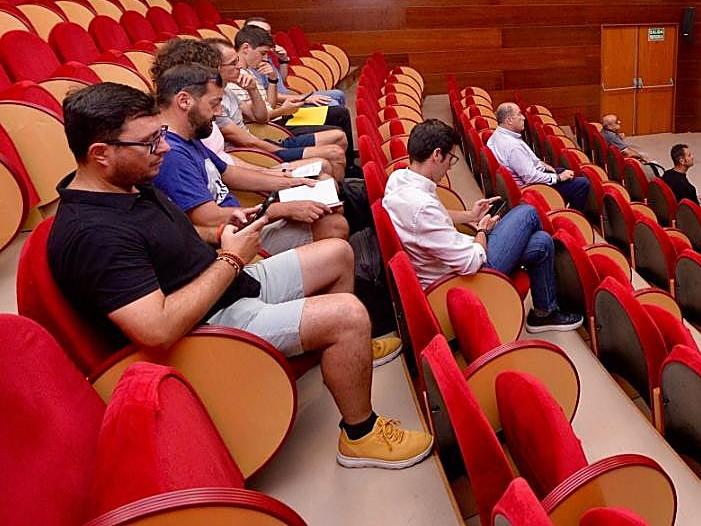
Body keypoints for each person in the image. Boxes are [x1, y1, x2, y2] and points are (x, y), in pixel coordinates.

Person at [47, 83, 430, 470]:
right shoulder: (93, 235)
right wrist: (231, 258)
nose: (164, 148)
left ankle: (340, 356)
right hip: (207, 327)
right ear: (100, 154)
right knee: (348, 314)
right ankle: (360, 434)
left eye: (159, 135)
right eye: (149, 142)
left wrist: (220, 233)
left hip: (225, 283)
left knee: (337, 252)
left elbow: (175, 235)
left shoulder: (127, 185)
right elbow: (157, 329)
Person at [385, 119, 584, 333]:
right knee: (528, 213)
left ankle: (544, 313)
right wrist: (482, 231)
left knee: (542, 242)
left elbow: (434, 218)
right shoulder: (423, 207)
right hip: (463, 278)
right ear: (436, 155)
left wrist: (470, 215)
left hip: (456, 257)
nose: (450, 168)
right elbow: (470, 262)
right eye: (450, 159)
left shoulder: (399, 178)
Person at [151, 62, 349, 255]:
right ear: (184, 101)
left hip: (242, 218)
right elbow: (208, 218)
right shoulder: (171, 154)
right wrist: (280, 210)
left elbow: (229, 172)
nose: (218, 112)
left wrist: (289, 182)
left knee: (325, 198)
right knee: (333, 224)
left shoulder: (188, 137)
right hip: (230, 239)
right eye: (214, 104)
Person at [149, 37, 333, 183]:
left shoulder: (203, 112)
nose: (217, 112)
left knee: (326, 165)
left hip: (249, 163)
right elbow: (224, 173)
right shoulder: (188, 128)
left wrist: (276, 175)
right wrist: (279, 170)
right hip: (251, 158)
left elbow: (225, 164)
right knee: (326, 167)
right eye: (232, 63)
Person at [202, 37, 346, 180]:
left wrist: (253, 90)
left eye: (237, 61)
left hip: (263, 142)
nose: (239, 66)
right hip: (253, 153)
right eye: (233, 63)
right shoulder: (213, 104)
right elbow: (248, 142)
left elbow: (260, 117)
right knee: (331, 156)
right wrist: (284, 151)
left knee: (338, 137)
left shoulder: (228, 90)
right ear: (217, 68)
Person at [230, 26, 359, 176]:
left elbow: (269, 105)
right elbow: (259, 117)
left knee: (339, 113)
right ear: (246, 48)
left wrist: (273, 80)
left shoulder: (249, 72)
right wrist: (284, 110)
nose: (265, 58)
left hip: (278, 117)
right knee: (337, 122)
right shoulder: (238, 80)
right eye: (263, 53)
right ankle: (348, 170)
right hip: (273, 127)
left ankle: (348, 168)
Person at [487, 102, 590, 211]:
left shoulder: (496, 136)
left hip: (533, 177)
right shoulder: (512, 147)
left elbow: (527, 161)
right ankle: (571, 215)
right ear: (509, 120)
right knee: (582, 184)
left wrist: (543, 165)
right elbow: (531, 177)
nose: (523, 118)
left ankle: (562, 205)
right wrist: (558, 177)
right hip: (534, 188)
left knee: (564, 171)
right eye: (519, 114)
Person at [244, 15, 346, 107]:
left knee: (338, 94)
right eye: (261, 32)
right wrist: (302, 98)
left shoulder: (267, 54)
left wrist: (283, 60)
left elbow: (282, 81)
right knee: (332, 103)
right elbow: (266, 95)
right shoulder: (253, 60)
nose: (266, 36)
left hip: (287, 95)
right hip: (282, 104)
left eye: (268, 33)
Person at [600, 113, 660, 179]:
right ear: (609, 127)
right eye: (616, 122)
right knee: (648, 159)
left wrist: (618, 136)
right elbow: (628, 152)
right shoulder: (612, 137)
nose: (619, 122)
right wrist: (642, 157)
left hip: (611, 158)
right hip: (619, 162)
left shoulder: (604, 131)